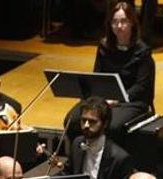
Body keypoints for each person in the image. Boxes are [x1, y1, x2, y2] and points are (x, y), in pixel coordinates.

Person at [65, 1, 155, 142]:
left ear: (132, 23)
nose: (119, 26)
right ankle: (80, 157)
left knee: (111, 126)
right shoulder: (104, 46)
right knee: (72, 120)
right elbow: (97, 76)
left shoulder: (142, 51)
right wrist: (102, 99)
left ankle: (106, 161)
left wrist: (118, 98)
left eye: (124, 21)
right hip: (104, 99)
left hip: (131, 102)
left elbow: (142, 86)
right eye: (115, 22)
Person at [63, 96, 132, 179]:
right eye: (83, 120)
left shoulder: (120, 158)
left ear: (105, 124)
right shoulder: (77, 143)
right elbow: (67, 174)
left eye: (92, 121)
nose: (86, 125)